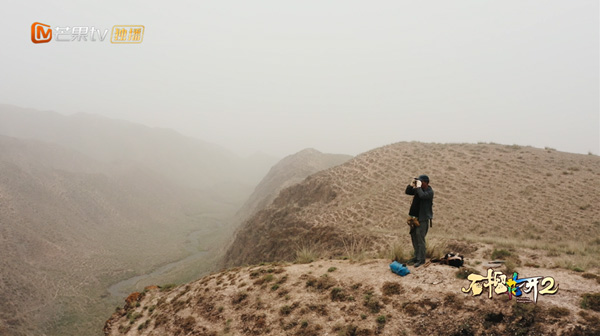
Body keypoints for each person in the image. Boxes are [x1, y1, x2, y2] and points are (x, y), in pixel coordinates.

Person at [405, 174, 434, 267]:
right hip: (414, 218)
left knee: (420, 238)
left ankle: (421, 259)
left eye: (420, 181)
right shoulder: (418, 190)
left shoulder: (429, 192)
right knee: (414, 237)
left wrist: (418, 187)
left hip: (423, 219)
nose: (419, 183)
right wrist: (411, 184)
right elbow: (408, 191)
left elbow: (422, 196)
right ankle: (416, 257)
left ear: (425, 182)